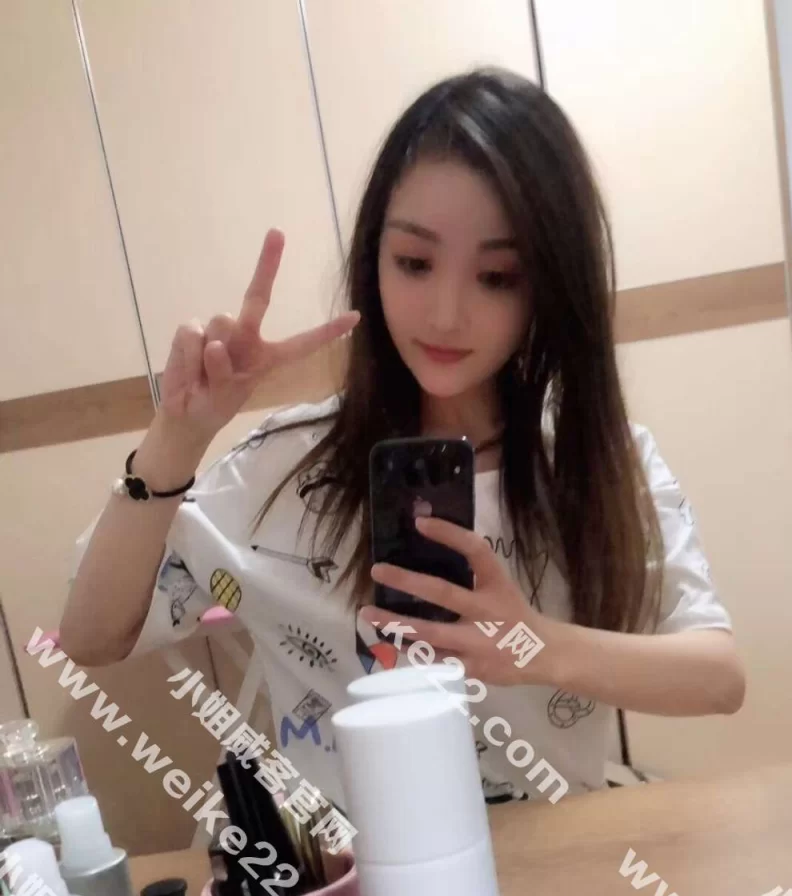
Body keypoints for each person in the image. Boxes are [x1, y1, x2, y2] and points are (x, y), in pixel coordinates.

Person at [60, 69, 745, 810]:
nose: (446, 314)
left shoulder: (595, 464)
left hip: (555, 865)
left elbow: (718, 677)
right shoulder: (286, 467)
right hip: (357, 874)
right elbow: (91, 637)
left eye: (497, 276)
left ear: (548, 285)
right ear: (374, 261)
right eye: (415, 263)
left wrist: (533, 643)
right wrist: (178, 435)